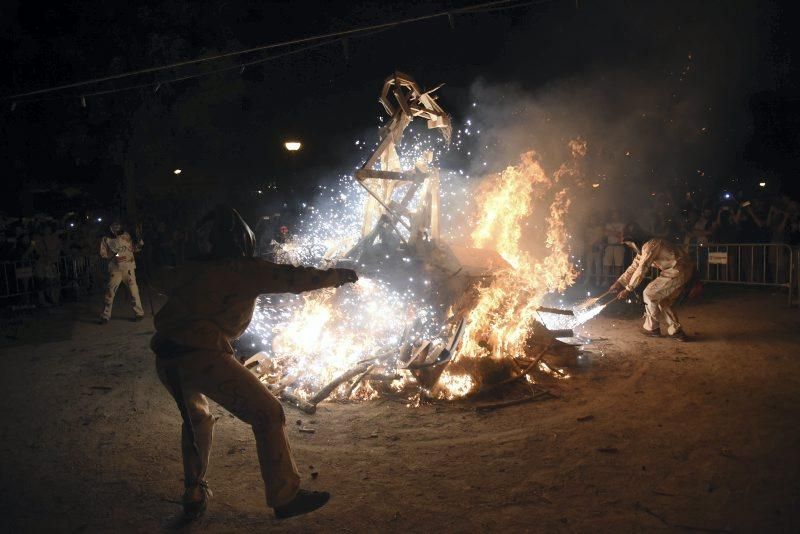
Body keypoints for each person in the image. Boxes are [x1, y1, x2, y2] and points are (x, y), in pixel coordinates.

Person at [149, 205, 358, 521]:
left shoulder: (189, 270)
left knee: (197, 422)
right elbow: (293, 278)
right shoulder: (243, 269)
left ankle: (194, 493)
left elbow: (158, 277)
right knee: (268, 413)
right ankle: (285, 497)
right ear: (242, 241)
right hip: (202, 355)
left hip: (167, 358)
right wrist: (338, 275)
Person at [609, 238, 694, 341]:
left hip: (678, 270)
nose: (630, 247)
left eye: (629, 244)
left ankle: (653, 329)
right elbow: (634, 266)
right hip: (676, 271)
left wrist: (628, 289)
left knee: (649, 293)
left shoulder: (651, 245)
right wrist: (619, 283)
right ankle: (676, 331)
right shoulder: (644, 250)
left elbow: (642, 269)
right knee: (663, 300)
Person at [99, 220, 144, 323]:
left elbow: (135, 249)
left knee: (134, 291)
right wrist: (114, 255)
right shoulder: (106, 239)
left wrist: (139, 241)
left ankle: (139, 313)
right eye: (114, 227)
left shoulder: (127, 236)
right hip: (115, 269)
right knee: (110, 292)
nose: (116, 229)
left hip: (129, 268)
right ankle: (105, 316)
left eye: (118, 226)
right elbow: (103, 254)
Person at [603, 210, 626, 283]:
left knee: (618, 265)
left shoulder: (622, 225)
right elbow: (606, 234)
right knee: (606, 264)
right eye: (613, 215)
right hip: (609, 246)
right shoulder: (608, 224)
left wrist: (611, 232)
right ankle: (605, 281)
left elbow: (622, 235)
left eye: (616, 215)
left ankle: (616, 282)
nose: (615, 216)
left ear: (619, 216)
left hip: (619, 246)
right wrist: (617, 233)